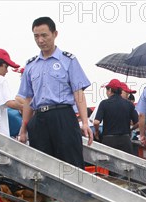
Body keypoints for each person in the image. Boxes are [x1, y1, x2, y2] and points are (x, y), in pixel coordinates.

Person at [17, 16, 93, 168]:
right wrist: (23, 128)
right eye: (36, 36)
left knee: (71, 164)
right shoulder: (31, 65)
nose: (40, 40)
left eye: (44, 35)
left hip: (63, 117)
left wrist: (85, 122)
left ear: (55, 34)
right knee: (42, 167)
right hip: (39, 120)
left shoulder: (68, 60)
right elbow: (28, 99)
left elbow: (78, 93)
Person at [93, 79, 138, 154]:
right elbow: (137, 123)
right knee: (126, 164)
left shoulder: (104, 103)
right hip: (125, 140)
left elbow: (96, 122)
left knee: (108, 165)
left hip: (109, 140)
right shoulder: (129, 104)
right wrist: (130, 129)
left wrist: (97, 132)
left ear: (110, 90)